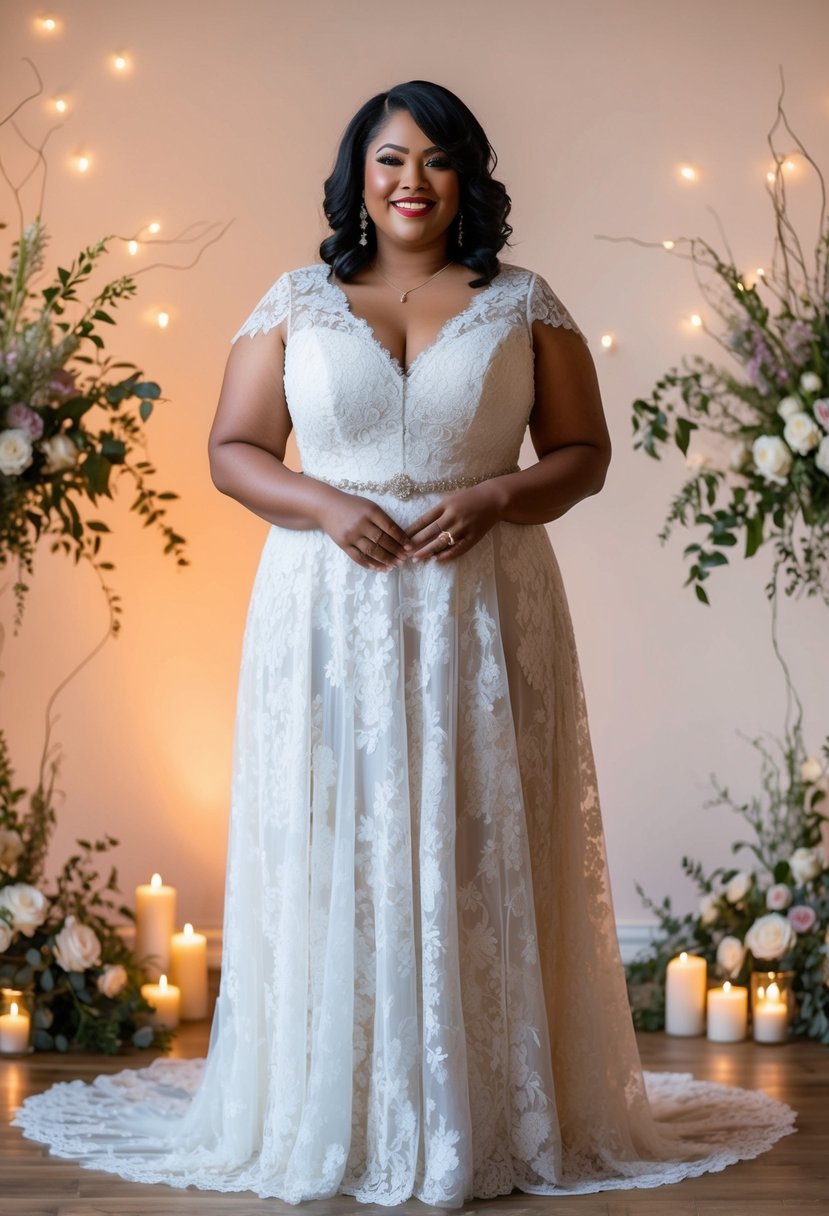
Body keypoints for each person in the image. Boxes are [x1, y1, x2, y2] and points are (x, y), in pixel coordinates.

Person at [12, 79, 796, 1208]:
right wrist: (328, 507)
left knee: (479, 833)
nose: (410, 181)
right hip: (327, 612)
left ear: (467, 176)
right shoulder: (293, 297)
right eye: (389, 159)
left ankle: (488, 1102)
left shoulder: (524, 301)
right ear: (357, 174)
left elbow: (583, 452)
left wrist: (493, 497)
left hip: (482, 602)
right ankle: (339, 1096)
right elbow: (234, 448)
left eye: (434, 160)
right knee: (335, 832)